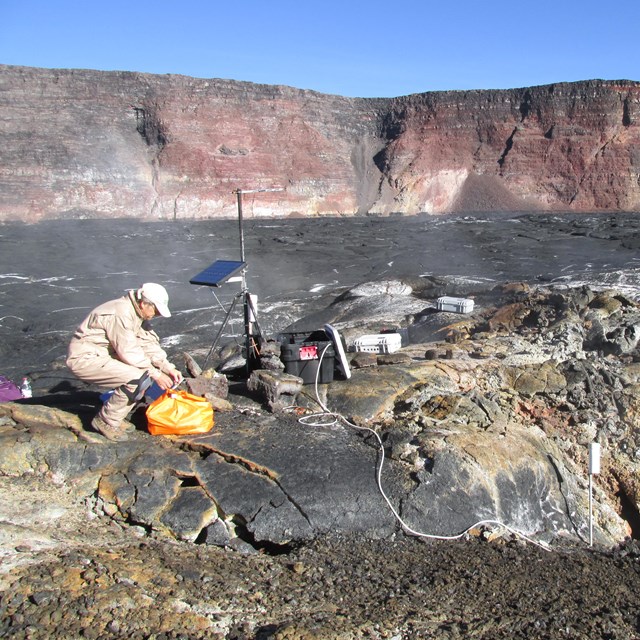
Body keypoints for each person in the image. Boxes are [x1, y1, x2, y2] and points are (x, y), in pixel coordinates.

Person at [66, 283, 183, 441]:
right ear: (144, 304)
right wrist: (156, 374)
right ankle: (106, 421)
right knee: (138, 378)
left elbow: (147, 343)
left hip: (105, 356)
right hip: (86, 359)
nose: (156, 315)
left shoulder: (137, 314)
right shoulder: (121, 313)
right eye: (155, 310)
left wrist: (167, 367)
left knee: (143, 376)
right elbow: (129, 352)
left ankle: (115, 418)